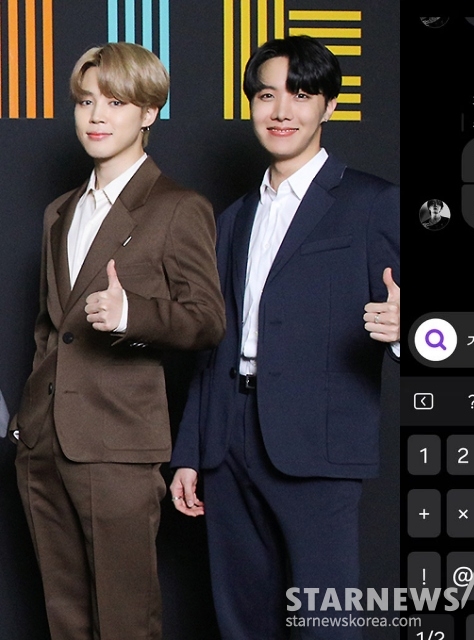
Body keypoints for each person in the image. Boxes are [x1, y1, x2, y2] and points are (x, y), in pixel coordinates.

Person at [169, 35, 400, 639]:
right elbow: (212, 344)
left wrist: (410, 330)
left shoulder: (372, 203)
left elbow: (442, 330)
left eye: (300, 94)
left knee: (327, 621)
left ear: (328, 106)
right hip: (227, 441)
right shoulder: (232, 218)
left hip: (316, 446)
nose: (281, 110)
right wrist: (190, 452)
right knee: (242, 620)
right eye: (267, 95)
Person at [8, 42, 225, 639]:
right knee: (65, 618)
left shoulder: (178, 207)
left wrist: (134, 314)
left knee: (126, 620)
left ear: (149, 112)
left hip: (118, 446)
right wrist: (27, 425)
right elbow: (49, 328)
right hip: (43, 443)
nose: (96, 116)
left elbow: (208, 320)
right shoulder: (59, 211)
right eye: (85, 102)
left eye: (116, 102)